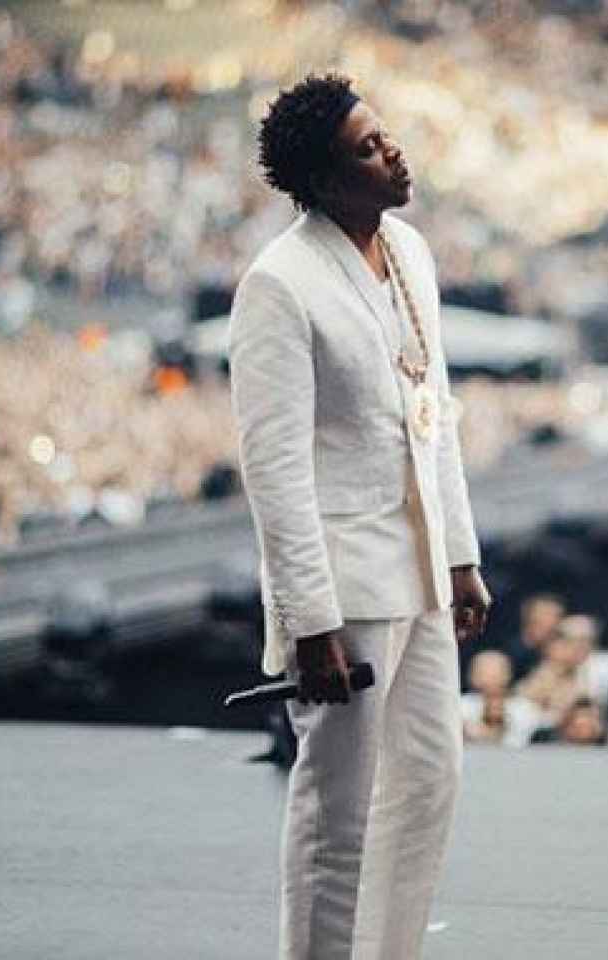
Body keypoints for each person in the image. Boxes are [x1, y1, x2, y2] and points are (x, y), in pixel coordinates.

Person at [229, 74, 491, 960]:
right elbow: (274, 469)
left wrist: (459, 555)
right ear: (325, 180)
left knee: (430, 782)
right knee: (334, 813)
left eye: (386, 135)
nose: (393, 153)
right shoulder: (279, 284)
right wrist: (310, 622)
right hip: (345, 588)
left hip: (418, 572)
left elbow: (435, 411)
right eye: (368, 150)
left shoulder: (409, 250)